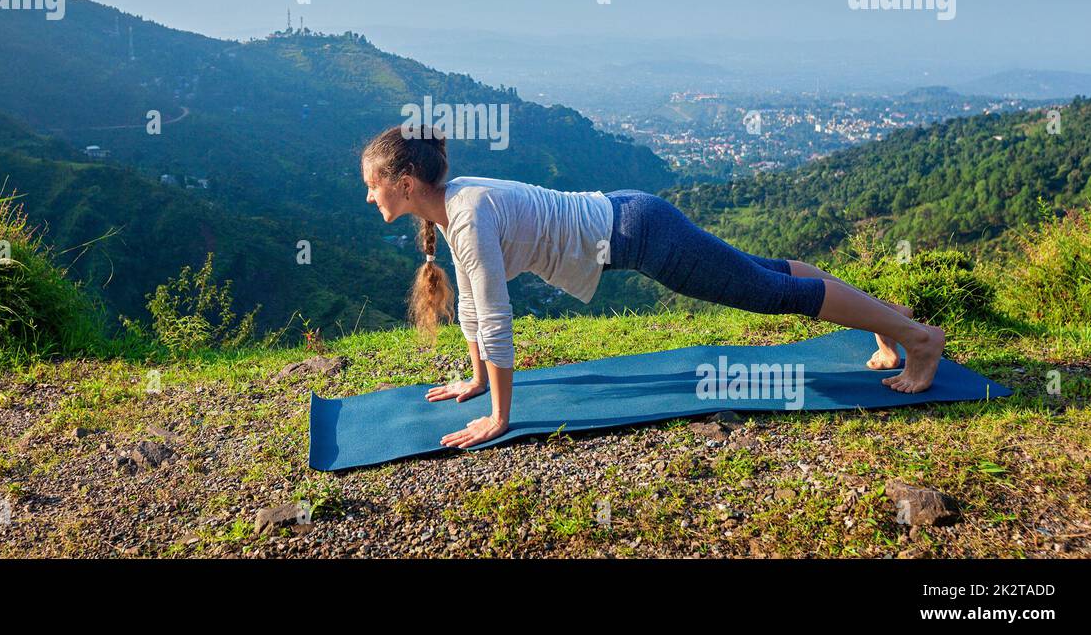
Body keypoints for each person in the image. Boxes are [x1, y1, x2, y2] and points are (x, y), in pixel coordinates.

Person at [360, 124, 946, 449]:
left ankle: (917, 338)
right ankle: (889, 329)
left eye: (373, 185)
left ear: (406, 182)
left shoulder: (465, 212)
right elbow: (472, 302)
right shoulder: (453, 204)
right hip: (630, 218)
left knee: (772, 293)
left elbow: (494, 316)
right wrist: (478, 379)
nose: (369, 196)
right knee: (771, 272)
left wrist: (500, 415)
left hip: (641, 236)